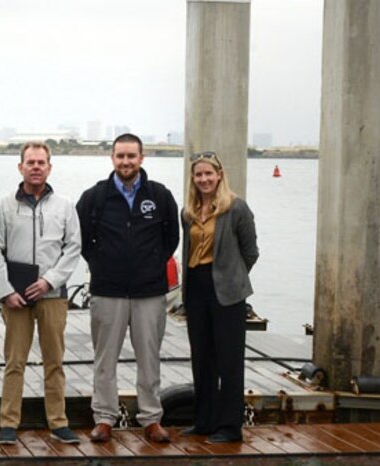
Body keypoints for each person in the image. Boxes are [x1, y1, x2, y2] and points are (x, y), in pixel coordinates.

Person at [76, 133, 180, 445]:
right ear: (112, 158)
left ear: (141, 158)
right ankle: (105, 418)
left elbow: (170, 240)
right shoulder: (95, 197)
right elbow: (82, 240)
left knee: (149, 357)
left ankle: (150, 418)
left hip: (149, 293)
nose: (126, 162)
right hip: (108, 291)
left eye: (131, 156)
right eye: (120, 156)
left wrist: (149, 265)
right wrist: (103, 265)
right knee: (104, 359)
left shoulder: (160, 196)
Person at [0, 141, 82, 446]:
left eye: (42, 162)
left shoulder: (65, 206)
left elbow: (73, 248)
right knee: (15, 360)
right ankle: (8, 422)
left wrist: (49, 280)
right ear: (21, 167)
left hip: (52, 295)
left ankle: (58, 421)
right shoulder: (4, 206)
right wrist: (4, 291)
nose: (36, 167)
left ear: (50, 167)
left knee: (54, 360)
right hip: (16, 297)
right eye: (31, 162)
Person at [179, 151, 259, 443]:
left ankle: (230, 426)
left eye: (208, 174)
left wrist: (233, 276)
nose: (203, 179)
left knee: (229, 360)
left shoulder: (236, 208)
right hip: (196, 287)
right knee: (202, 358)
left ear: (219, 174)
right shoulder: (188, 211)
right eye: (198, 175)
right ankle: (204, 421)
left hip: (227, 291)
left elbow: (250, 251)